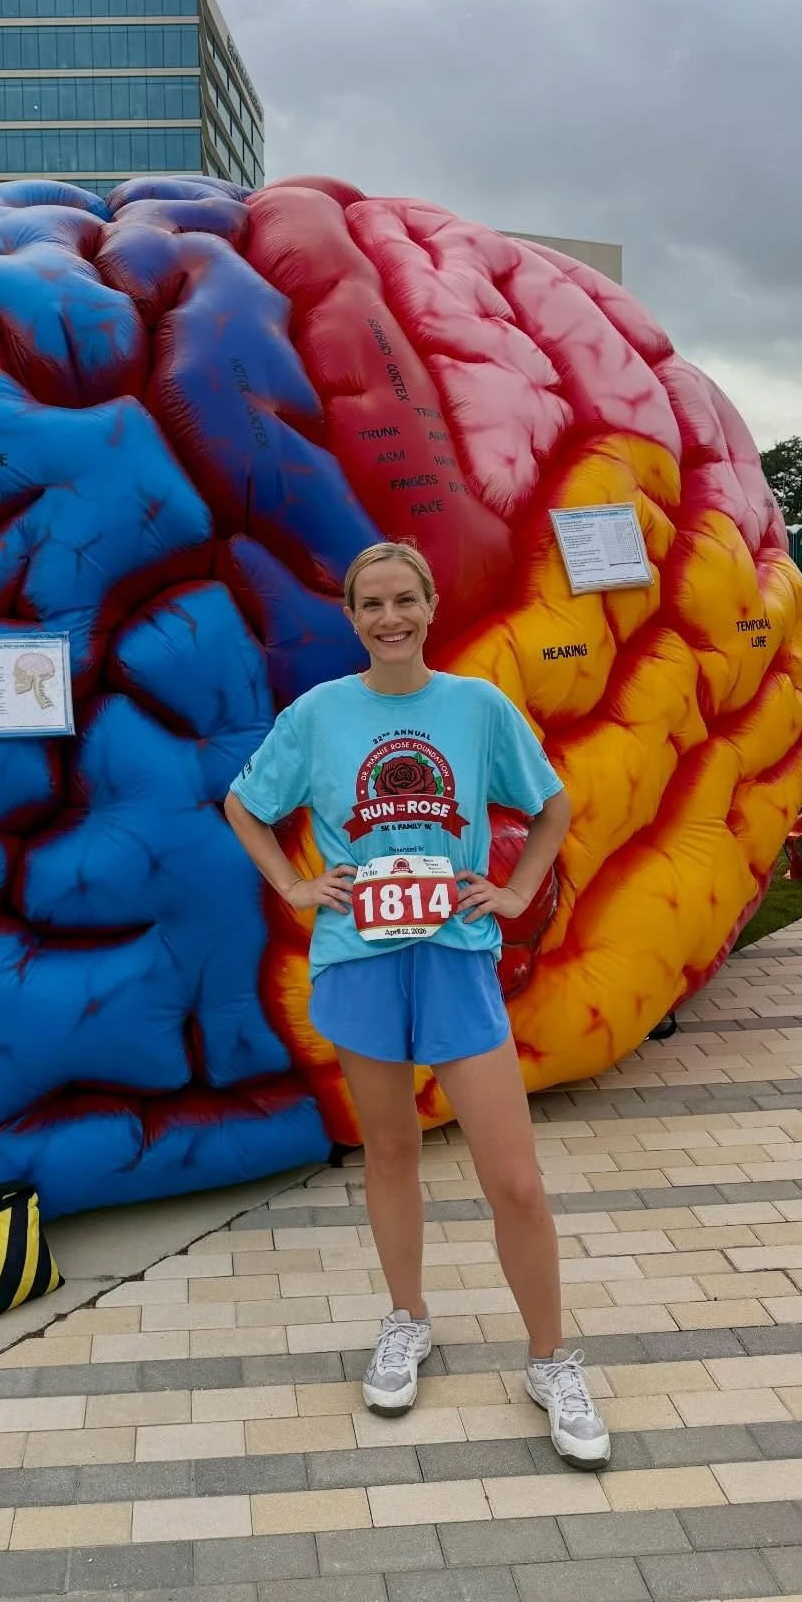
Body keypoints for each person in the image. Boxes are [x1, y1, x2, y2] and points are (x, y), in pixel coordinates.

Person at [223, 539, 609, 1468]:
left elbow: (552, 807)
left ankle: (551, 1361)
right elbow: (245, 804)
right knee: (391, 1150)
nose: (389, 618)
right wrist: (295, 886)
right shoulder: (320, 713)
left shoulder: (476, 707)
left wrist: (515, 893)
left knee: (514, 1178)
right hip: (358, 960)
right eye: (372, 604)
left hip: (455, 958)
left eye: (404, 600)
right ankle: (407, 1319)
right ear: (351, 617)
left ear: (431, 605)